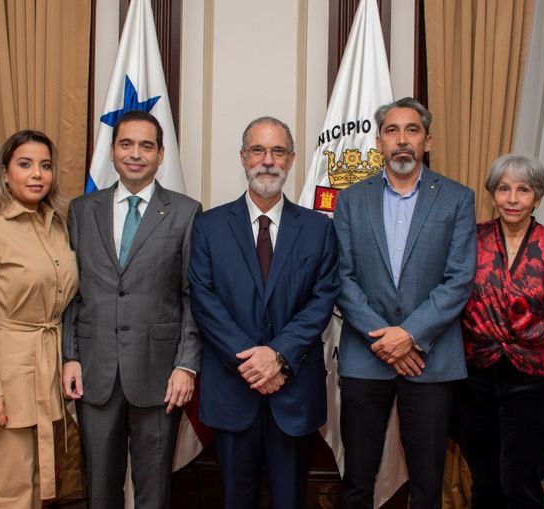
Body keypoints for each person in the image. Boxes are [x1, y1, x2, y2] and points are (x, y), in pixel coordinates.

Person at [333, 97, 477, 509]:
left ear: (427, 141)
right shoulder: (350, 199)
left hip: (430, 360)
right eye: (392, 131)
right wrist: (386, 340)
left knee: (427, 484)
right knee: (357, 480)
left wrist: (410, 335)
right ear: (379, 141)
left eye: (411, 130)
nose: (402, 140)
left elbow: (459, 278)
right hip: (366, 355)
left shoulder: (456, 199)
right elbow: (341, 277)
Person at [188, 116, 338, 509]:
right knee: (237, 497)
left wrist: (278, 356)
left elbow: (322, 299)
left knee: (290, 498)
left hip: (294, 390)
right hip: (233, 389)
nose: (267, 161)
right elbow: (204, 300)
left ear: (291, 159)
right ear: (243, 157)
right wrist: (251, 361)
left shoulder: (318, 229)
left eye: (277, 151)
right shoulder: (209, 226)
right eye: (258, 150)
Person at [61, 110, 202, 508]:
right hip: (94, 369)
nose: (135, 154)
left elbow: (193, 295)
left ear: (160, 156)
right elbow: (73, 291)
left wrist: (186, 365)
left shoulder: (186, 212)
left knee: (154, 490)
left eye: (146, 146)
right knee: (99, 489)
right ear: (112, 151)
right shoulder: (81, 210)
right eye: (126, 144)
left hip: (159, 375)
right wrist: (70, 356)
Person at [0, 130, 78, 508]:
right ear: (4, 172)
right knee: (9, 495)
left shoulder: (59, 226)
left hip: (46, 377)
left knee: (40, 491)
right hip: (2, 379)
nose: (37, 174)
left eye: (45, 166)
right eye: (25, 164)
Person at [459, 153, 544, 508]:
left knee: (521, 481)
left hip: (533, 381)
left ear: (537, 197)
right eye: (503, 189)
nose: (512, 199)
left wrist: (537, 344)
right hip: (476, 376)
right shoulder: (472, 239)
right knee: (484, 478)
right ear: (492, 194)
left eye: (523, 190)